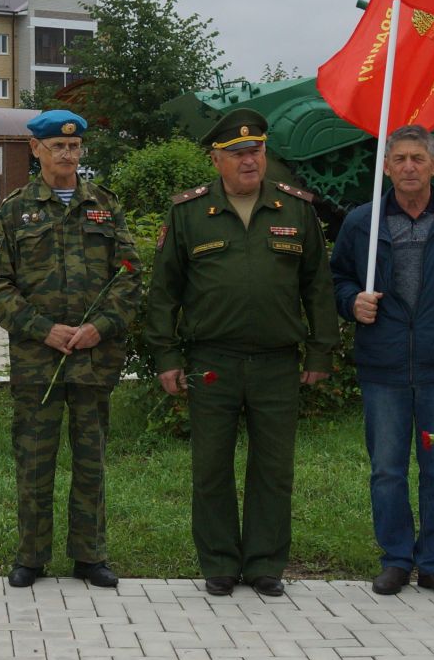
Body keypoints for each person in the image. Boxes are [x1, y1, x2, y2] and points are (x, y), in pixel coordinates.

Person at [142, 108, 336, 598]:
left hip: (276, 362)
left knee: (274, 468)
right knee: (210, 467)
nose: (249, 161)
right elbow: (164, 292)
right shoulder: (188, 213)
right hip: (213, 361)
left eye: (256, 152)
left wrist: (320, 352)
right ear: (216, 160)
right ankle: (221, 562)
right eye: (237, 154)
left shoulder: (295, 209)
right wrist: (166, 357)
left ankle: (266, 563)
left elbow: (318, 287)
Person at [0, 109, 143, 589]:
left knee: (90, 459)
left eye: (74, 147)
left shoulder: (105, 206)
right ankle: (31, 556)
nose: (67, 155)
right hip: (38, 360)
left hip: (94, 358)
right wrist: (42, 328)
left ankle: (90, 556)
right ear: (37, 150)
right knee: (34, 459)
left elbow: (130, 274)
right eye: (58, 147)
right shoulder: (14, 210)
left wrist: (100, 326)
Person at [330, 124, 434, 600]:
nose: (409, 167)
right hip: (384, 366)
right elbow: (337, 278)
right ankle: (396, 559)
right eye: (399, 159)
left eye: (418, 158)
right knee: (387, 469)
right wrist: (352, 301)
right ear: (386, 166)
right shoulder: (363, 221)